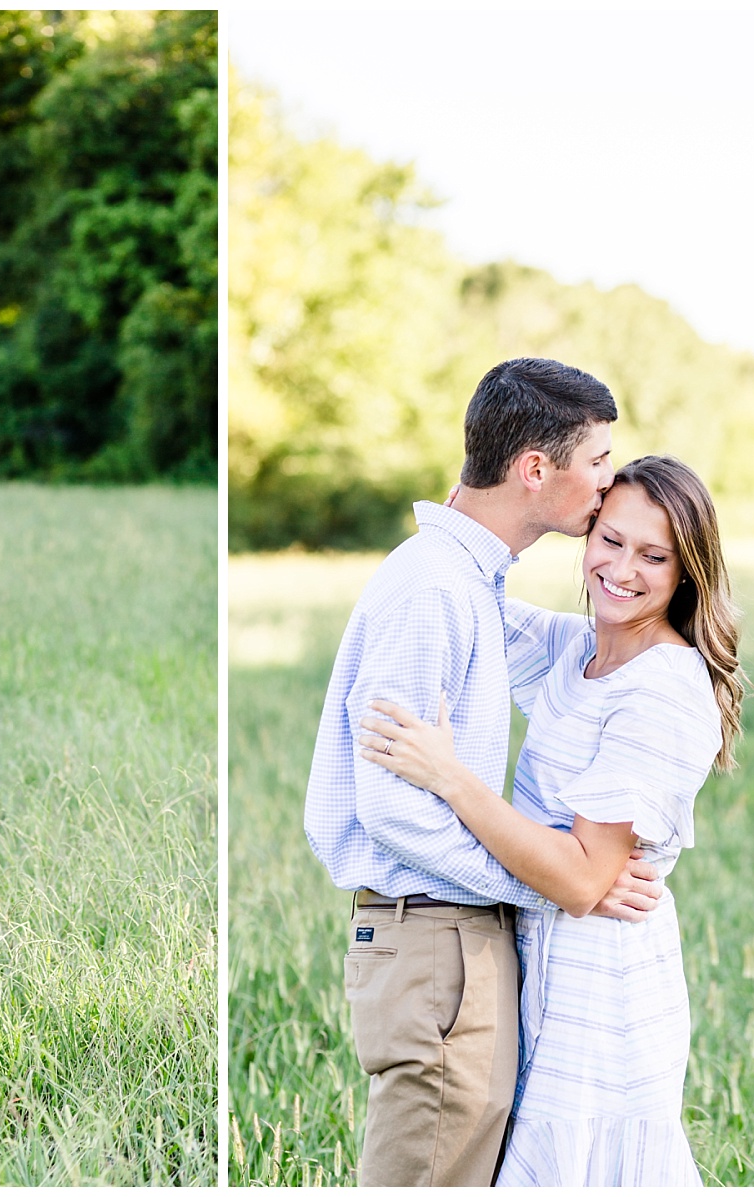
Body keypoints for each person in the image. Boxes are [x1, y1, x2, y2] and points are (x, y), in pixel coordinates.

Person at [304, 358, 667, 1186]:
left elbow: (592, 654)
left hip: (454, 939)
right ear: (536, 469)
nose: (609, 482)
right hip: (433, 937)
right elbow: (394, 810)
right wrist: (558, 880)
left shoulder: (466, 582)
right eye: (600, 461)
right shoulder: (432, 588)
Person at [358, 455, 746, 1185]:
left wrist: (450, 777)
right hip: (538, 960)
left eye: (653, 555)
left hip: (603, 984)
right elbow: (471, 600)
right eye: (610, 539)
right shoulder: (578, 650)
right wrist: (464, 523)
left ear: (686, 572)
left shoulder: (662, 685)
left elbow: (579, 879)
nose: (622, 568)